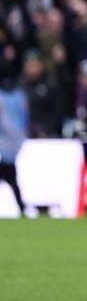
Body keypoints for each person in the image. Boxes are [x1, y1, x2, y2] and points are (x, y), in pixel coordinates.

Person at [0, 78, 29, 217]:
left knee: (10, 175)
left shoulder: (18, 96)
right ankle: (21, 207)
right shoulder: (17, 96)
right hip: (8, 143)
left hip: (10, 145)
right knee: (11, 177)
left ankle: (22, 207)